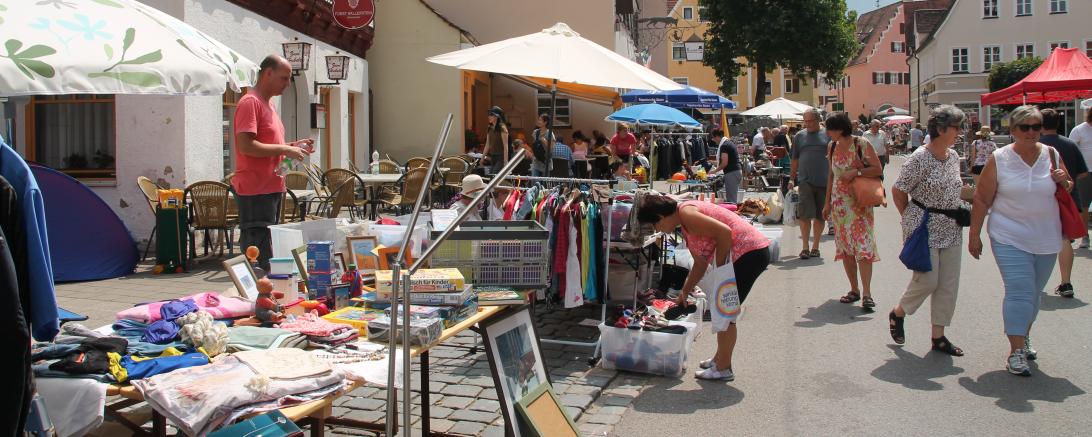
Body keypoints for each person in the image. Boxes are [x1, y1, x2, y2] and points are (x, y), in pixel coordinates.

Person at [968, 105, 1072, 377]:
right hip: (1008, 234)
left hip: (1046, 236)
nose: (1031, 132)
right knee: (1019, 290)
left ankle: (1023, 335)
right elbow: (981, 198)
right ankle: (1015, 351)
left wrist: (1064, 180)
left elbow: (1067, 185)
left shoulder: (1051, 154)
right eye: (1024, 127)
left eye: (1036, 126)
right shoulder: (999, 158)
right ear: (1012, 130)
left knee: (1034, 294)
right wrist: (974, 234)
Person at [636, 195, 770, 381]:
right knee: (721, 310)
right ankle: (719, 359)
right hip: (746, 255)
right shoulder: (685, 222)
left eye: (655, 226)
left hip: (749, 255)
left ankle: (723, 368)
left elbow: (724, 233)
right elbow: (700, 263)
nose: (658, 230)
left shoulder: (687, 214)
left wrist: (722, 271)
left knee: (725, 312)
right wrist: (685, 291)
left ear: (660, 216)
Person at [888, 105, 968, 356]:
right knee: (927, 281)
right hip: (924, 227)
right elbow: (899, 190)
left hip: (951, 226)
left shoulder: (953, 156)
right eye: (957, 127)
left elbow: (956, 188)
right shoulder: (919, 158)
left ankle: (939, 336)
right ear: (941, 129)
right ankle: (898, 312)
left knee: (948, 285)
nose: (960, 132)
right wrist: (909, 219)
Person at [232, 55, 314, 271]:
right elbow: (246, 146)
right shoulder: (250, 103)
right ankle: (257, 295)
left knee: (268, 250)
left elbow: (269, 146)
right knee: (258, 253)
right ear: (267, 73)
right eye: (284, 78)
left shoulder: (269, 106)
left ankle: (267, 292)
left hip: (271, 187)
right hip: (255, 190)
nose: (288, 84)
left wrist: (294, 146)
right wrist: (286, 149)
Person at [823, 112, 883, 311]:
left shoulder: (861, 144)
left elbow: (877, 169)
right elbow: (831, 176)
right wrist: (827, 204)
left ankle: (867, 293)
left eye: (829, 128)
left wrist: (856, 172)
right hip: (839, 206)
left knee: (863, 248)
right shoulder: (831, 147)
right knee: (846, 249)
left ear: (839, 129)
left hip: (859, 204)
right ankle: (854, 289)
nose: (827, 132)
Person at [1039, 108, 1088, 298]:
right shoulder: (1069, 144)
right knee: (1064, 238)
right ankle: (1066, 282)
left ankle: (1036, 281)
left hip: (1044, 199)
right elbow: (1082, 173)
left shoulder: (1036, 146)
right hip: (1068, 198)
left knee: (1038, 238)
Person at [788, 109, 830, 259]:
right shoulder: (799, 136)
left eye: (811, 121)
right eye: (805, 121)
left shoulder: (828, 135)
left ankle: (815, 247)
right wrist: (792, 178)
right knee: (804, 215)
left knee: (820, 215)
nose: (808, 124)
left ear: (818, 120)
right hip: (805, 181)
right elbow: (795, 159)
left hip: (825, 182)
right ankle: (805, 247)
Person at [1069, 110, 1092, 248]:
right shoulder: (1079, 130)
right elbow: (1072, 150)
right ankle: (1085, 236)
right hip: (1086, 173)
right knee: (1084, 206)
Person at [711, 129, 742, 204]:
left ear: (717, 137)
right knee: (732, 197)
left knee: (731, 200)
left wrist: (714, 171)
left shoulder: (724, 145)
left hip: (732, 173)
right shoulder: (729, 143)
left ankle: (732, 215)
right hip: (735, 171)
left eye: (713, 138)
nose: (714, 140)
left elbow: (724, 163)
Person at [483, 106, 510, 174]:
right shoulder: (490, 128)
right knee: (491, 176)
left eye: (491, 115)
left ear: (497, 116)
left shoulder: (502, 128)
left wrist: (506, 163)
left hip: (501, 157)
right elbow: (487, 145)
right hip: (492, 157)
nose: (489, 116)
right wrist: (482, 157)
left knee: (493, 176)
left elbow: (505, 146)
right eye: (489, 114)